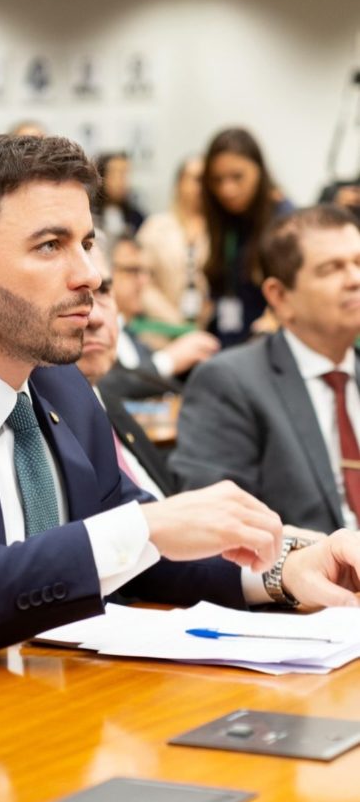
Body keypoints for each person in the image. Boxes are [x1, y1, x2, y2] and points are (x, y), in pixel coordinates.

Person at [0, 134, 360, 710]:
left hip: (32, 716)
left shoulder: (58, 386)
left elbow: (150, 557)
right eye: (51, 246)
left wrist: (285, 570)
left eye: (87, 242)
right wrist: (143, 528)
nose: (90, 275)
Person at [171, 204, 360, 534]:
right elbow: (216, 529)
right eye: (332, 269)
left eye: (359, 263)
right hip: (305, 577)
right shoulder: (230, 382)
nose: (355, 279)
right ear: (280, 296)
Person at [77, 237, 175, 498]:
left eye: (104, 292)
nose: (95, 317)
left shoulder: (107, 403)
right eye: (77, 296)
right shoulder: (46, 425)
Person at [202, 127, 293, 347]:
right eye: (217, 180)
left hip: (269, 344)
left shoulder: (284, 221)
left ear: (259, 171)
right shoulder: (225, 219)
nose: (227, 190)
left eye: (237, 177)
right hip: (229, 340)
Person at [101, 235, 219, 400]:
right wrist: (170, 359)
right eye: (132, 270)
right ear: (103, 271)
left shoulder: (134, 340)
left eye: (145, 272)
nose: (143, 281)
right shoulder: (90, 336)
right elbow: (107, 386)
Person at [136, 156, 209, 327]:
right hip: (161, 329)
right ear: (179, 183)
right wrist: (176, 322)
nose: (202, 187)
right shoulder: (156, 227)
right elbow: (141, 282)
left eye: (207, 180)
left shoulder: (219, 232)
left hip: (207, 330)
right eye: (197, 179)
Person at [92, 153, 145, 243]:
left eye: (126, 174)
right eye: (116, 173)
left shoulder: (137, 218)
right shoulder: (89, 214)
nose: (122, 180)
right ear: (101, 175)